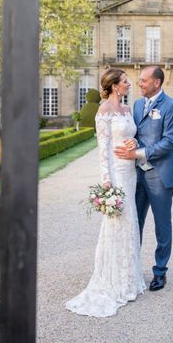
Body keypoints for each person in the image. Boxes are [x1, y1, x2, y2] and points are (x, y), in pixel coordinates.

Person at [65, 68, 146, 317]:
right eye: (124, 82)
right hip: (117, 174)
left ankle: (130, 278)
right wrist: (107, 182)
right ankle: (114, 280)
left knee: (130, 221)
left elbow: (132, 137)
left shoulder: (126, 110)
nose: (129, 84)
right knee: (116, 223)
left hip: (131, 172)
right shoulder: (104, 111)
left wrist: (134, 143)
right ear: (113, 86)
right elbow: (103, 149)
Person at [115, 66, 173, 292]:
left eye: (144, 80)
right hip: (136, 175)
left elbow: (169, 142)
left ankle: (160, 272)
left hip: (160, 174)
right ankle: (133, 269)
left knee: (162, 226)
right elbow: (136, 134)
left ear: (157, 82)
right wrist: (132, 143)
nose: (139, 83)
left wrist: (138, 153)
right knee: (135, 223)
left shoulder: (172, 106)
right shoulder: (136, 104)